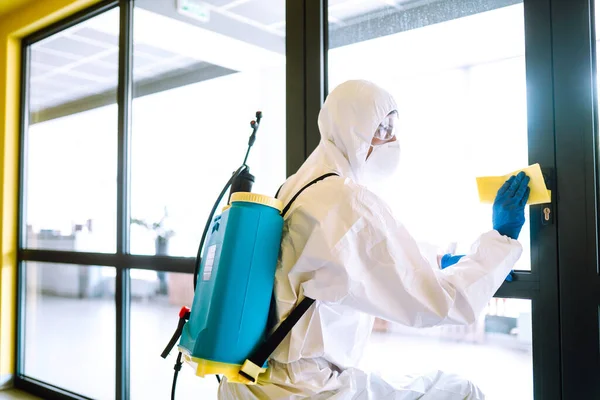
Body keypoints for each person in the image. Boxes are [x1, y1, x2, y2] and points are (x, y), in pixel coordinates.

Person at [218, 79, 530, 399]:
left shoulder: (297, 187)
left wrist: (440, 261)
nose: (392, 140)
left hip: (254, 379)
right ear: (355, 128)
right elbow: (439, 303)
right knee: (462, 392)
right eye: (383, 128)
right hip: (308, 389)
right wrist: (500, 241)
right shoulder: (347, 200)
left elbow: (349, 253)